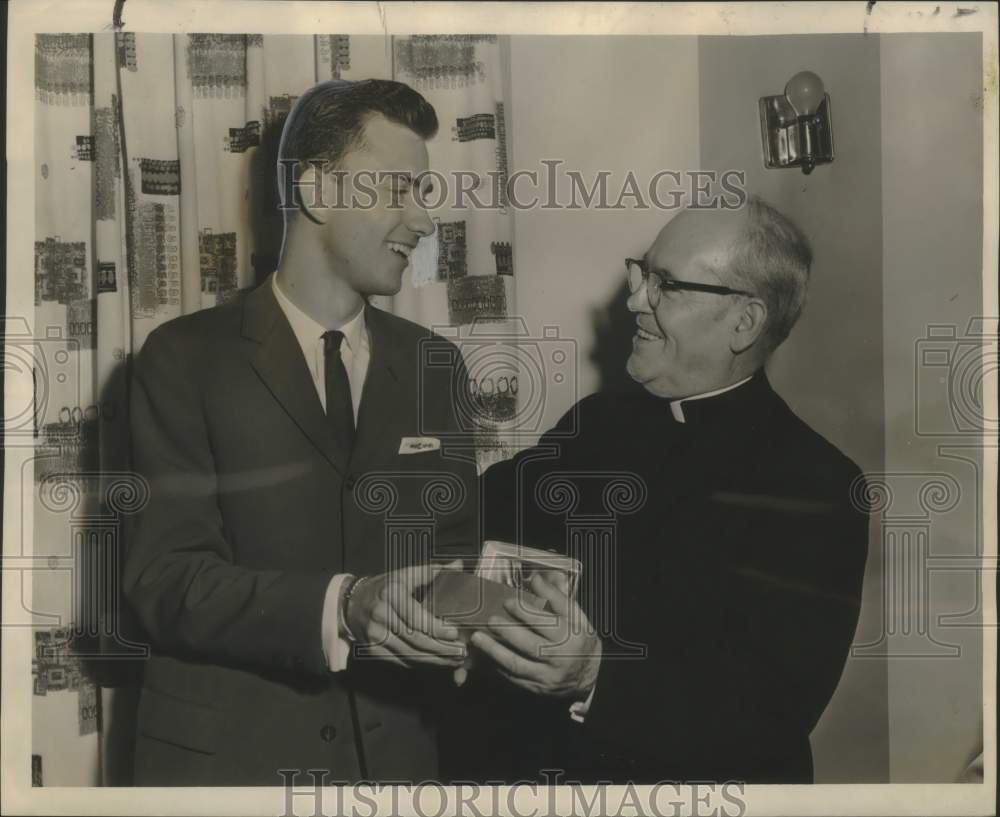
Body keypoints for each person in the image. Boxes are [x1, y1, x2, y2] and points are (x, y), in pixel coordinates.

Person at [123, 79, 477, 785]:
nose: (424, 220)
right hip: (233, 774)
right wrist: (342, 606)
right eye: (399, 189)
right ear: (317, 191)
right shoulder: (182, 359)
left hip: (399, 768)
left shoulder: (436, 365)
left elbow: (451, 556)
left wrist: (498, 612)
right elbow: (164, 581)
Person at [470, 197, 870, 783]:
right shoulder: (598, 423)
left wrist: (595, 676)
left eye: (667, 285)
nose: (635, 300)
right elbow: (476, 517)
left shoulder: (820, 486)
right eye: (642, 273)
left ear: (745, 322)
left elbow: (770, 716)